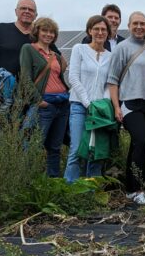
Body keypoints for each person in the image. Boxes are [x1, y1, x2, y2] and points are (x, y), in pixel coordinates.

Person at [108, 12, 145, 205]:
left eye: (143, 23)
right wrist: (116, 106)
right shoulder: (122, 48)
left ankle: (131, 189)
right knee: (142, 140)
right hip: (130, 102)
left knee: (138, 146)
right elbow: (112, 80)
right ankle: (137, 189)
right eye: (135, 23)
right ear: (129, 25)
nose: (139, 26)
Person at [64, 15, 115, 183]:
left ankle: (91, 191)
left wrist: (102, 104)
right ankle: (70, 189)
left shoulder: (110, 55)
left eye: (103, 29)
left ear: (108, 33)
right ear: (89, 31)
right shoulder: (79, 49)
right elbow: (73, 78)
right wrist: (87, 103)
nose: (100, 32)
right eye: (96, 29)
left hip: (99, 110)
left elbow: (110, 83)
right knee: (77, 149)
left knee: (96, 150)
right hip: (79, 106)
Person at [18, 17, 69, 177]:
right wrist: (39, 101)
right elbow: (25, 78)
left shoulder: (55, 54)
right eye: (44, 31)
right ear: (37, 32)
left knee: (55, 147)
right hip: (45, 104)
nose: (48, 34)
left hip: (62, 103)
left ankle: (52, 182)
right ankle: (29, 183)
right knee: (35, 145)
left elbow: (61, 73)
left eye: (51, 32)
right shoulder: (29, 49)